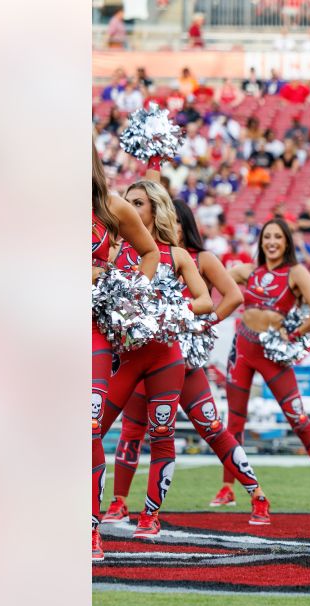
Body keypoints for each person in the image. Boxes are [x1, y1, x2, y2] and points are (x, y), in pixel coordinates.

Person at [104, 198, 271, 526]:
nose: (175, 227)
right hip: (138, 355)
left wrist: (200, 325)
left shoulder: (194, 258)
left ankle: (256, 493)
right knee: (132, 430)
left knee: (210, 427)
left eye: (180, 223)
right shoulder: (125, 250)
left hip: (180, 359)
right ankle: (118, 502)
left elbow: (230, 297)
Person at [96, 180, 215, 540]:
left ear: (154, 209)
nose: (128, 207)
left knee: (161, 432)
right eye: (128, 201)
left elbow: (206, 301)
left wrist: (168, 309)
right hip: (126, 356)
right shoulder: (115, 250)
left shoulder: (176, 255)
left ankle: (150, 515)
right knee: (94, 428)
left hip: (166, 355)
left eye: (138, 202)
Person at [222, 218, 310, 509]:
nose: (272, 242)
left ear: (287, 242)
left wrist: (293, 334)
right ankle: (227, 488)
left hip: (272, 354)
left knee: (298, 418)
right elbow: (212, 274)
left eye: (278, 237)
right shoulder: (248, 271)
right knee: (234, 421)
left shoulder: (296, 272)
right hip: (241, 348)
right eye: (267, 237)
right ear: (261, 242)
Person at [91, 147, 160, 561]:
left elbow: (149, 253)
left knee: (89, 427)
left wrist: (131, 296)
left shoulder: (111, 205)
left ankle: (91, 529)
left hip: (91, 330)